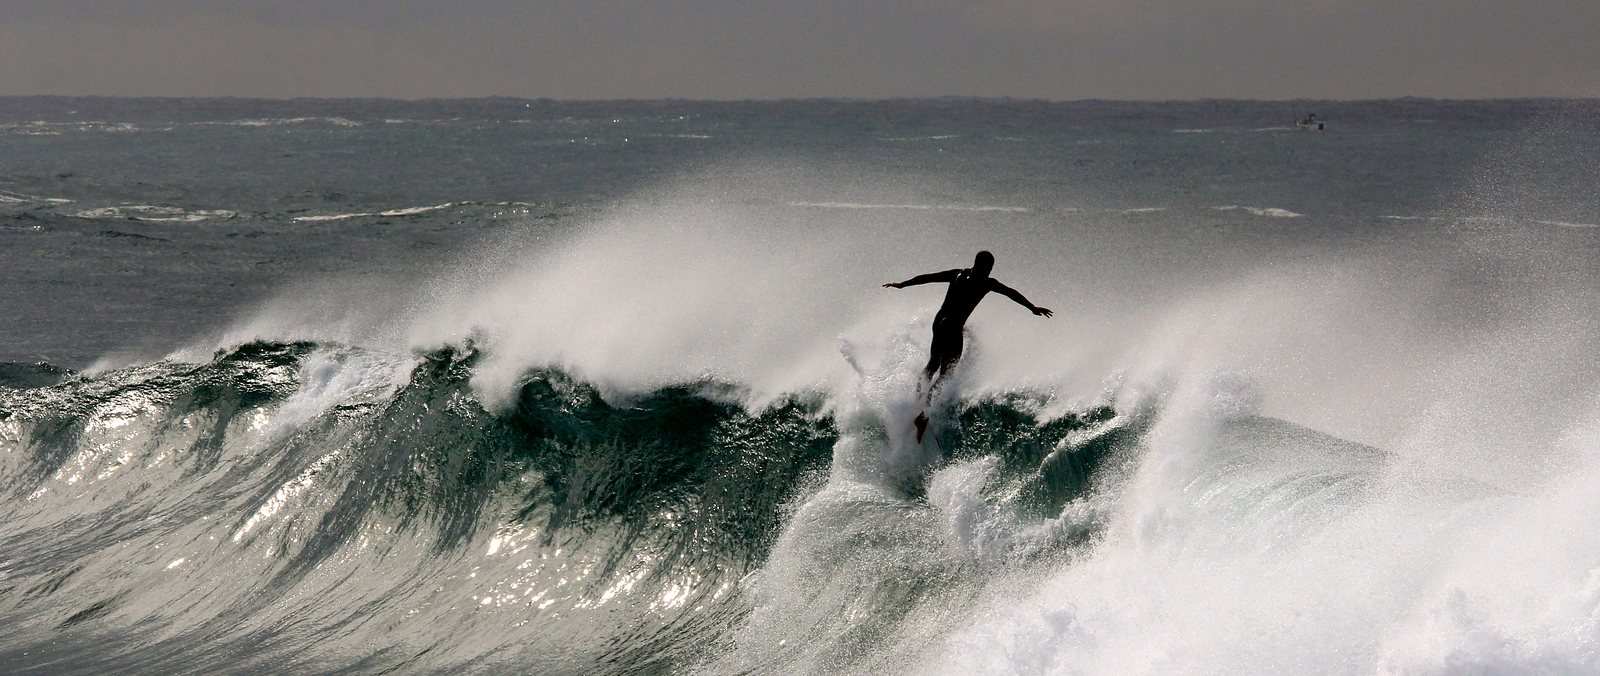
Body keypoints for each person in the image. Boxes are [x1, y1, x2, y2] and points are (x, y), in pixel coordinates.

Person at [884, 250, 1052, 439]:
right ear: (981, 266)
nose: (989, 270)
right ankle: (922, 416)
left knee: (933, 363)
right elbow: (1010, 293)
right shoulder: (987, 283)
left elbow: (929, 278)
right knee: (946, 373)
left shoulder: (957, 273)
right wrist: (1032, 308)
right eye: (988, 267)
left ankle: (916, 400)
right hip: (952, 327)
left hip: (939, 322)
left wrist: (903, 285)